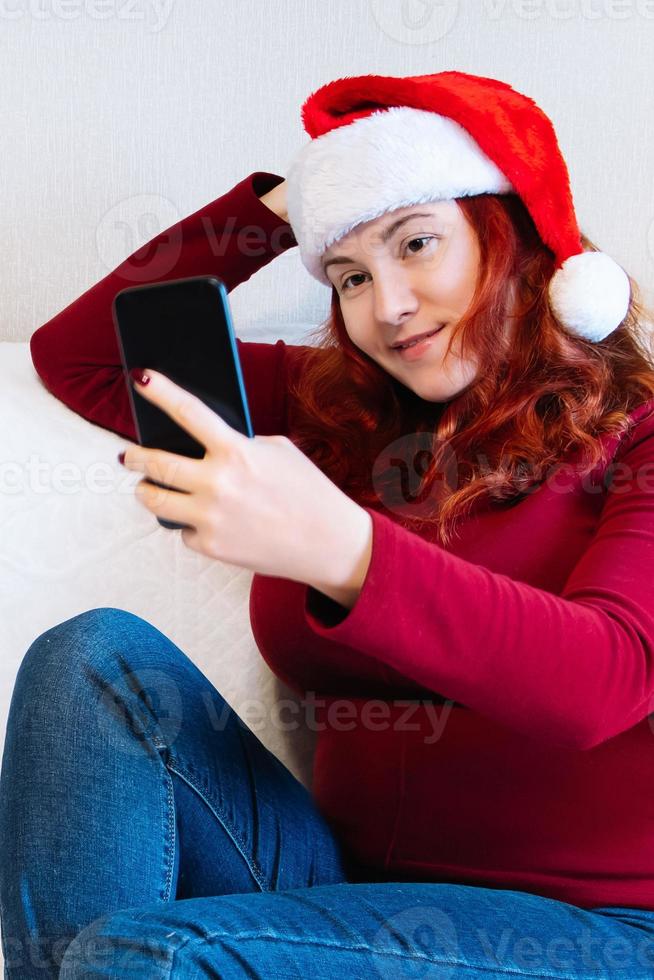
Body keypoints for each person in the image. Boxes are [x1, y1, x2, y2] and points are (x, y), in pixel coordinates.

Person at [2, 69, 654, 979]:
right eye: (350, 274)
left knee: (144, 955)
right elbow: (84, 357)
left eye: (417, 243)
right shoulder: (344, 417)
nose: (387, 306)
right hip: (341, 895)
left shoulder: (641, 436)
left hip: (593, 929)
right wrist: (294, 202)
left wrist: (346, 553)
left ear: (522, 244)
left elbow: (606, 680)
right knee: (96, 663)